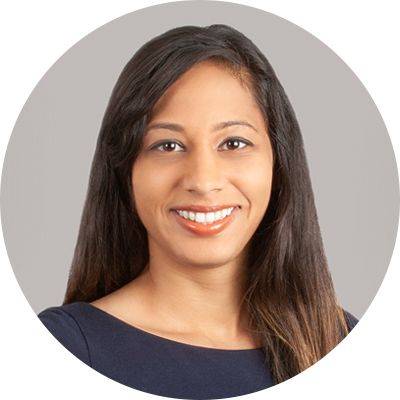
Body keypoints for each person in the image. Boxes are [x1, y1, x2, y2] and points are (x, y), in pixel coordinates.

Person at [38, 24, 358, 399]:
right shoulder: (63, 349)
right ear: (126, 172)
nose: (203, 181)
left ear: (279, 162)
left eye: (234, 143)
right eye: (168, 145)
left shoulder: (341, 342)